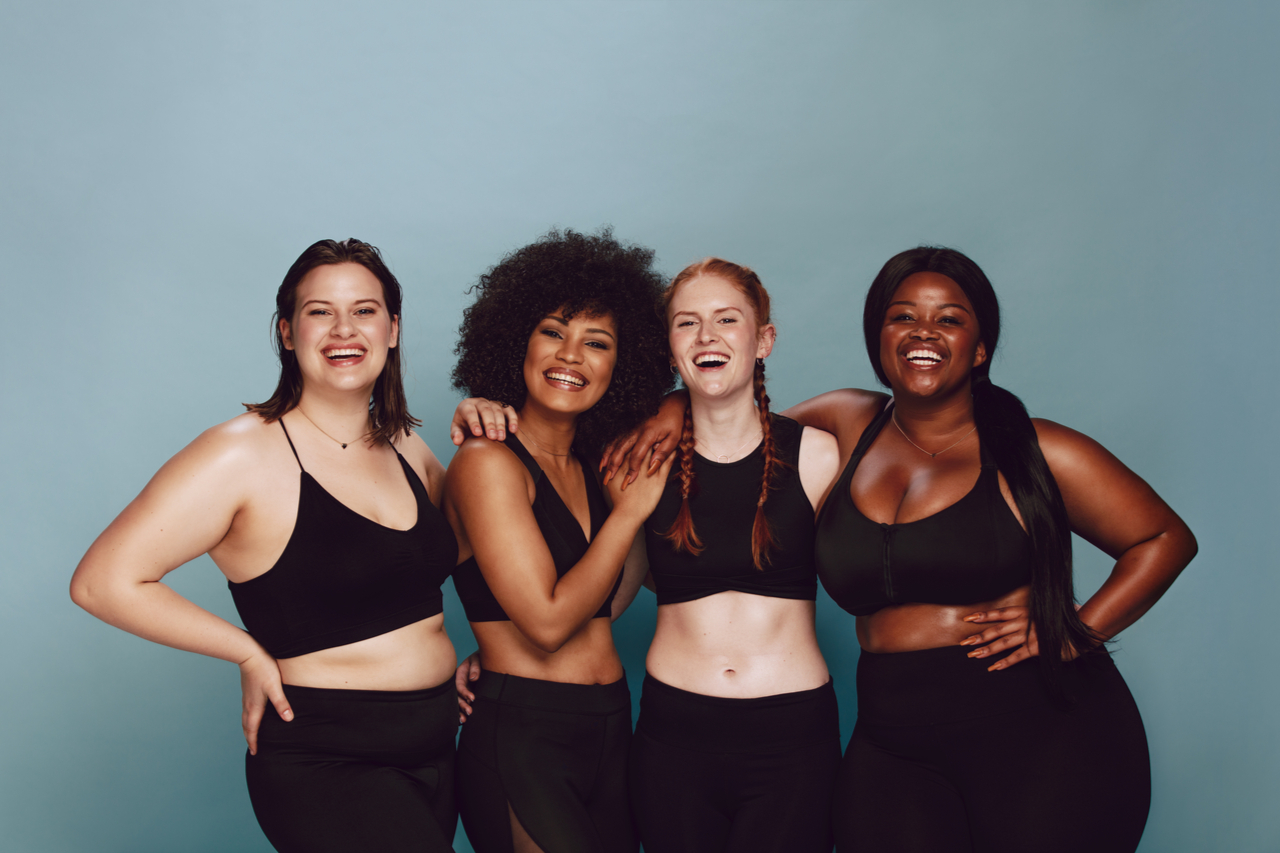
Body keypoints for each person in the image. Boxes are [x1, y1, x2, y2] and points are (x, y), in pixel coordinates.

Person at [597, 247, 1197, 853]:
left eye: (950, 319)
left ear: (981, 347)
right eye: (902, 317)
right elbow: (734, 426)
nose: (923, 333)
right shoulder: (849, 422)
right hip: (893, 737)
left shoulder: (1032, 447)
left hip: (1036, 724)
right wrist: (674, 408)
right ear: (878, 338)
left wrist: (1073, 629)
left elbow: (1165, 539)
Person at [71, 239, 462, 853]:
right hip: (329, 761)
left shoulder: (408, 448)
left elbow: (470, 560)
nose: (343, 329)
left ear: (392, 329)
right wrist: (247, 653)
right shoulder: (240, 453)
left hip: (440, 750)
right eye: (318, 311)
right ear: (286, 331)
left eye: (364, 310)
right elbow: (102, 582)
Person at [453, 258, 844, 852]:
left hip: (675, 730)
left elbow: (612, 590)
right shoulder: (586, 462)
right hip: (643, 734)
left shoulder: (813, 454)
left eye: (727, 320)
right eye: (687, 323)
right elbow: (569, 611)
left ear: (763, 337)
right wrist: (500, 652)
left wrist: (1032, 603)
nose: (571, 354)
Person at [445, 228, 674, 853]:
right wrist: (629, 517)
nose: (570, 355)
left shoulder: (595, 467)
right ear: (516, 340)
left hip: (609, 728)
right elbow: (546, 624)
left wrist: (672, 411)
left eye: (596, 343)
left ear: (620, 366)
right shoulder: (487, 463)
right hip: (524, 735)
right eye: (553, 331)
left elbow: (608, 600)